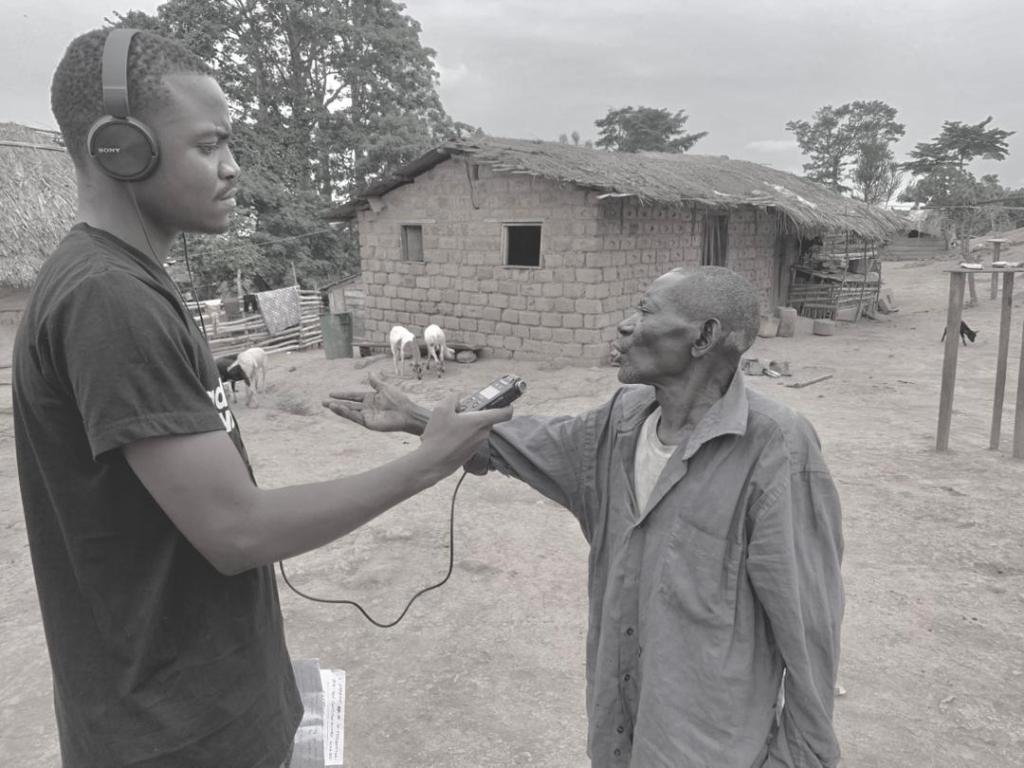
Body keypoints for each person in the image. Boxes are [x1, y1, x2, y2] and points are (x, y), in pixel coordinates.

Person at [12, 28, 510, 768]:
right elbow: (234, 532)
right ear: (120, 147)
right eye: (208, 145)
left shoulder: (130, 281)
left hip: (189, 705)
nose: (233, 167)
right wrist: (426, 464)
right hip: (178, 733)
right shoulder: (109, 297)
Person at [326, 266, 845, 767]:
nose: (625, 323)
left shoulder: (776, 448)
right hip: (619, 734)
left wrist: (802, 757)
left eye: (644, 310)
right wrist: (417, 417)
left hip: (706, 746)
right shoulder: (623, 419)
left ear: (704, 337)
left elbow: (809, 631)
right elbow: (535, 444)